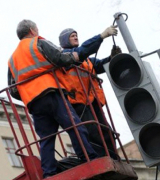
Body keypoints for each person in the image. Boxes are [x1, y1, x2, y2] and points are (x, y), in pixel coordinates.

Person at [7, 19, 98, 178]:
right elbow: (61, 58)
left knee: (46, 138)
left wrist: (29, 92)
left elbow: (13, 90)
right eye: (36, 28)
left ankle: (49, 174)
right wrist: (75, 56)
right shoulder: (38, 43)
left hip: (34, 102)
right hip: (50, 93)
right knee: (75, 126)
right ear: (31, 30)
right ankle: (89, 158)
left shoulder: (12, 59)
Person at [58, 26, 122, 159]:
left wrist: (112, 58)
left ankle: (113, 157)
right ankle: (101, 159)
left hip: (93, 101)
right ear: (65, 41)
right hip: (79, 103)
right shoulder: (64, 57)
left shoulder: (87, 60)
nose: (76, 37)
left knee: (106, 131)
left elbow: (99, 65)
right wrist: (101, 36)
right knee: (92, 132)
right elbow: (83, 51)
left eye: (76, 35)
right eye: (72, 36)